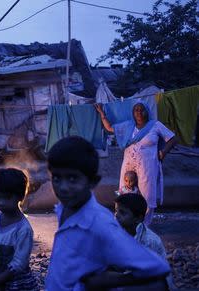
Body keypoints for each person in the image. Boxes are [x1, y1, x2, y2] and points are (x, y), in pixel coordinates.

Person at [44, 136, 171, 291]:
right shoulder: (64, 208)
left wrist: (107, 282)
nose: (63, 187)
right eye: (56, 178)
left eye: (72, 178)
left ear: (93, 181)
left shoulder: (99, 223)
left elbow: (157, 267)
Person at [95, 102, 178, 224]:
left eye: (142, 109)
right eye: (136, 110)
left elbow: (172, 139)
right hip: (128, 166)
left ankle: (144, 226)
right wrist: (102, 113)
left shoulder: (155, 125)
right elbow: (110, 128)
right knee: (124, 193)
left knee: (147, 197)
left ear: (147, 111)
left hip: (147, 167)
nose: (139, 112)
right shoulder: (128, 126)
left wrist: (163, 152)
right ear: (133, 113)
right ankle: (124, 223)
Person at [0, 168, 38, 291]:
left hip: (16, 282)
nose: (1, 202)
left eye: (7, 198)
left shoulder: (23, 229)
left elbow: (18, 264)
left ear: (20, 196)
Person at [115, 193, 174, 290]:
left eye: (122, 212)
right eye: (116, 210)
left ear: (138, 218)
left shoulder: (149, 241)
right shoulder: (120, 231)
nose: (117, 215)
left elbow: (143, 272)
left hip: (154, 281)